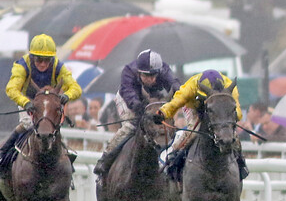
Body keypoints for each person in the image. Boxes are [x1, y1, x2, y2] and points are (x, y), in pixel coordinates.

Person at [94, 49, 180, 177]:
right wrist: (139, 108)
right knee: (132, 126)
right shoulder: (128, 72)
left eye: (152, 76)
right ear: (139, 72)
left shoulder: (164, 70)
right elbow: (129, 94)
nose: (150, 79)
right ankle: (105, 158)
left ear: (159, 72)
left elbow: (176, 86)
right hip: (128, 99)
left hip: (153, 99)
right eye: (145, 76)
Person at [2, 34, 81, 170]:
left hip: (49, 104)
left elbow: (76, 88)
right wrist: (25, 102)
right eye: (39, 59)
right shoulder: (22, 65)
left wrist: (67, 96)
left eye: (47, 60)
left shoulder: (58, 66)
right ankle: (3, 153)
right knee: (28, 124)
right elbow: (11, 89)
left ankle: (65, 160)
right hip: (29, 101)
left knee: (51, 126)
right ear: (32, 57)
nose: (43, 64)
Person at [154, 69, 248, 180]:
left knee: (231, 134)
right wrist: (163, 112)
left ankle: (240, 161)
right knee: (191, 133)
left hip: (218, 109)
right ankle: (173, 157)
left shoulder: (228, 85)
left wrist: (229, 120)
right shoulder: (191, 86)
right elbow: (176, 102)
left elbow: (237, 110)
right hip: (194, 107)